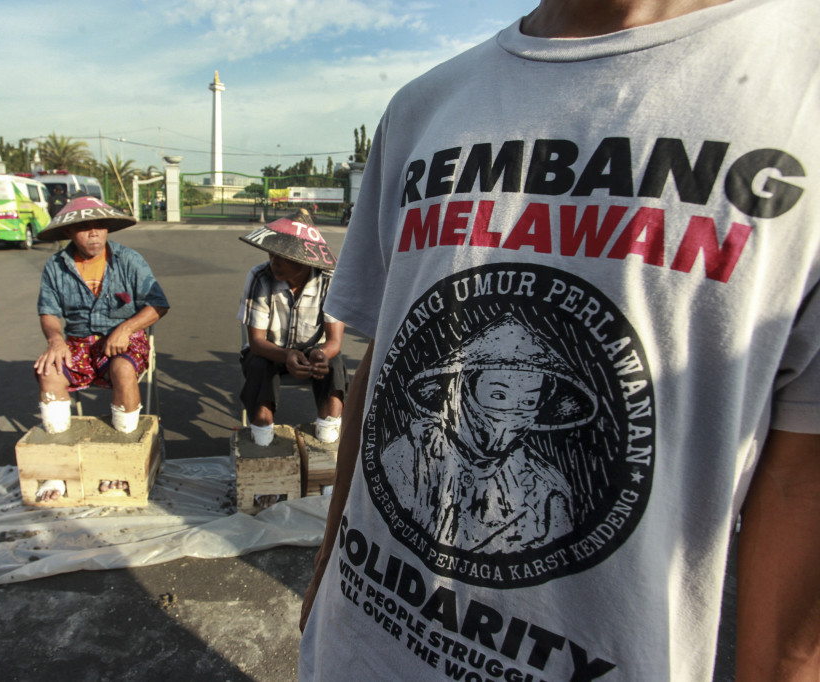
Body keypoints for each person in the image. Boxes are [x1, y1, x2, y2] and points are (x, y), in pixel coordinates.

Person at [299, 2, 820, 682]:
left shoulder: (800, 91)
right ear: (461, 389)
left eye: (528, 390)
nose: (512, 406)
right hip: (356, 652)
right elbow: (383, 362)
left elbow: (798, 484)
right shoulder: (426, 106)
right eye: (496, 386)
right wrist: (325, 567)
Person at [33, 194, 168, 502]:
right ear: (69, 233)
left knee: (122, 367)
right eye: (84, 228)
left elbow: (157, 305)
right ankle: (59, 469)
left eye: (99, 226)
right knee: (49, 371)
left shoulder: (129, 259)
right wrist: (55, 339)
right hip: (78, 341)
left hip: (124, 338)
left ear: (107, 229)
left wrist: (126, 327)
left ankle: (120, 463)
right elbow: (49, 312)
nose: (93, 233)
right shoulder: (56, 265)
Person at [237, 209, 348, 446]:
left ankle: (328, 435)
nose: (275, 261)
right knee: (259, 367)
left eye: (285, 256)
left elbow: (334, 342)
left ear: (306, 259)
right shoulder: (260, 277)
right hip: (268, 351)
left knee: (335, 365)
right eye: (273, 253)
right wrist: (286, 355)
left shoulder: (329, 280)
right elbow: (256, 341)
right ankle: (262, 435)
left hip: (311, 351)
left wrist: (321, 354)